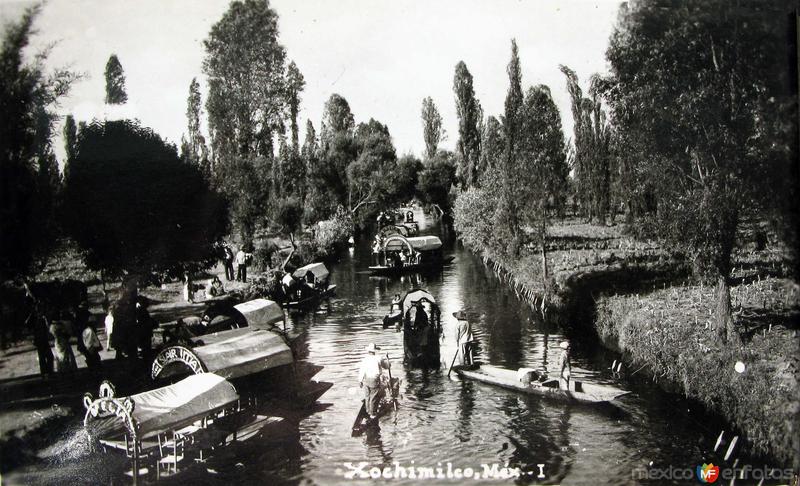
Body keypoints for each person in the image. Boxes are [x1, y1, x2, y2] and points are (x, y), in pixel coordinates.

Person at [358, 343, 390, 419]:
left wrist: (360, 381)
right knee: (374, 396)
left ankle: (368, 411)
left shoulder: (364, 359)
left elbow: (361, 370)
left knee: (367, 396)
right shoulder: (378, 358)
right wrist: (388, 361)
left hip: (366, 379)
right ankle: (372, 413)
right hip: (374, 380)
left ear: (368, 351)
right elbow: (386, 366)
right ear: (374, 351)